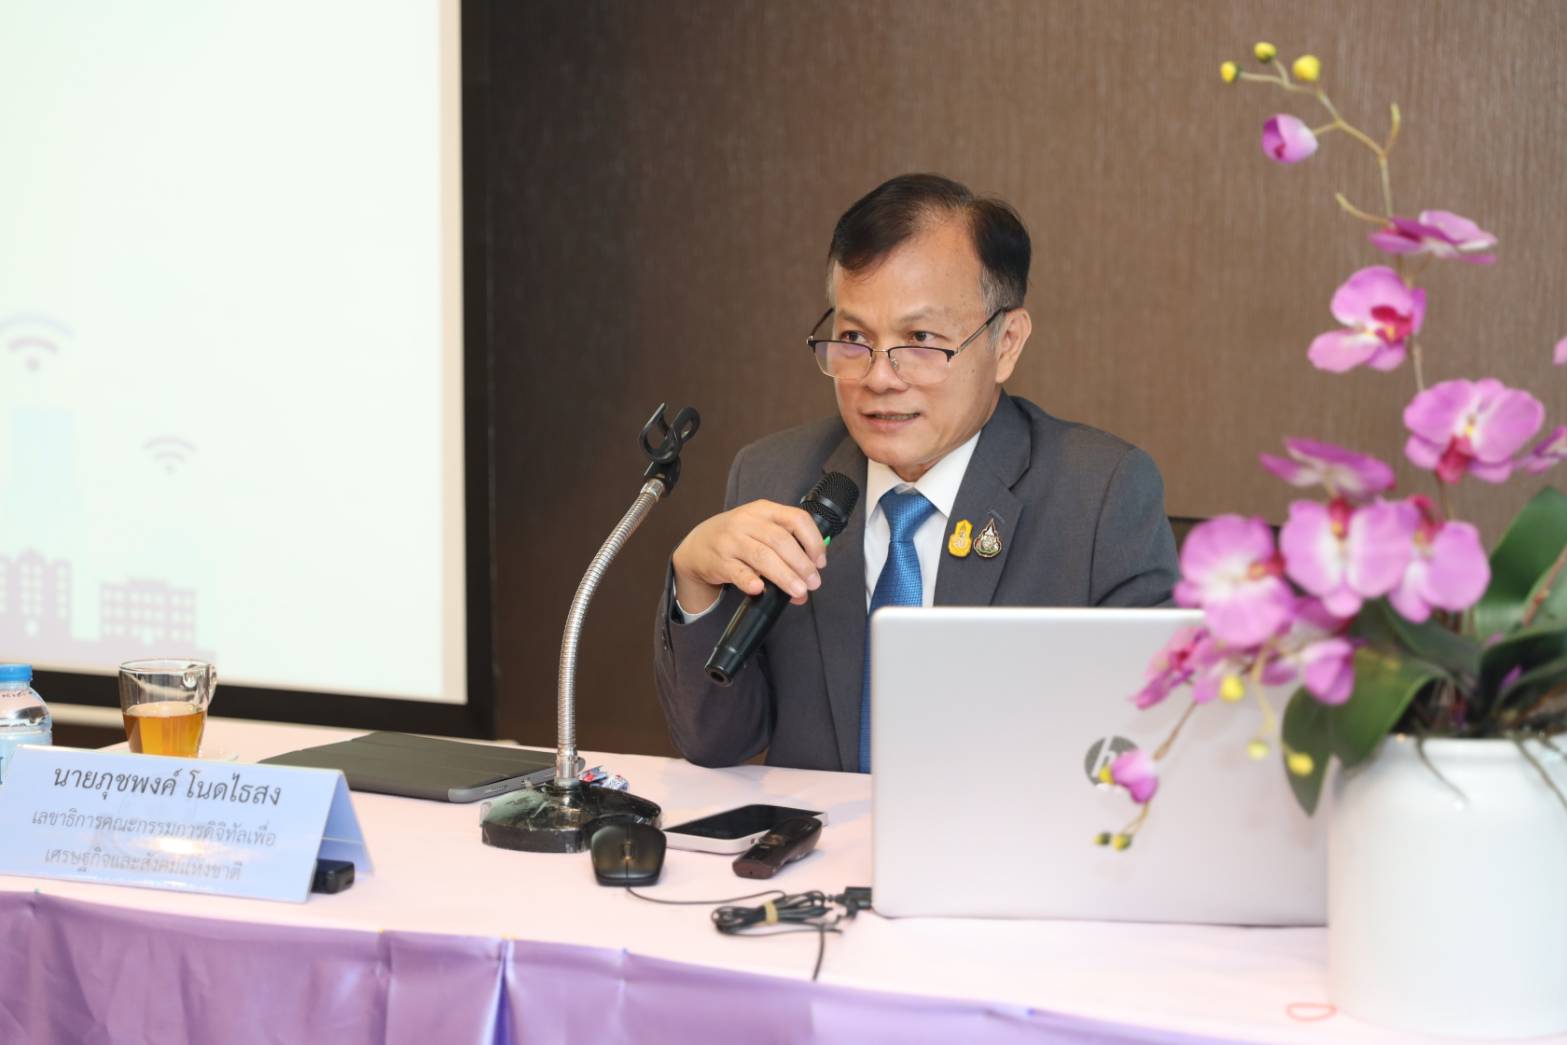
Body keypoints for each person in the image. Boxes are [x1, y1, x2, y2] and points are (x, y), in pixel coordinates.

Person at [654, 173, 1178, 772]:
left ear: (1007, 342)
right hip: (815, 834)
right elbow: (716, 744)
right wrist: (695, 585)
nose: (879, 377)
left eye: (920, 338)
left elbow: (1153, 743)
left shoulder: (1099, 496)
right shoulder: (774, 478)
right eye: (853, 337)